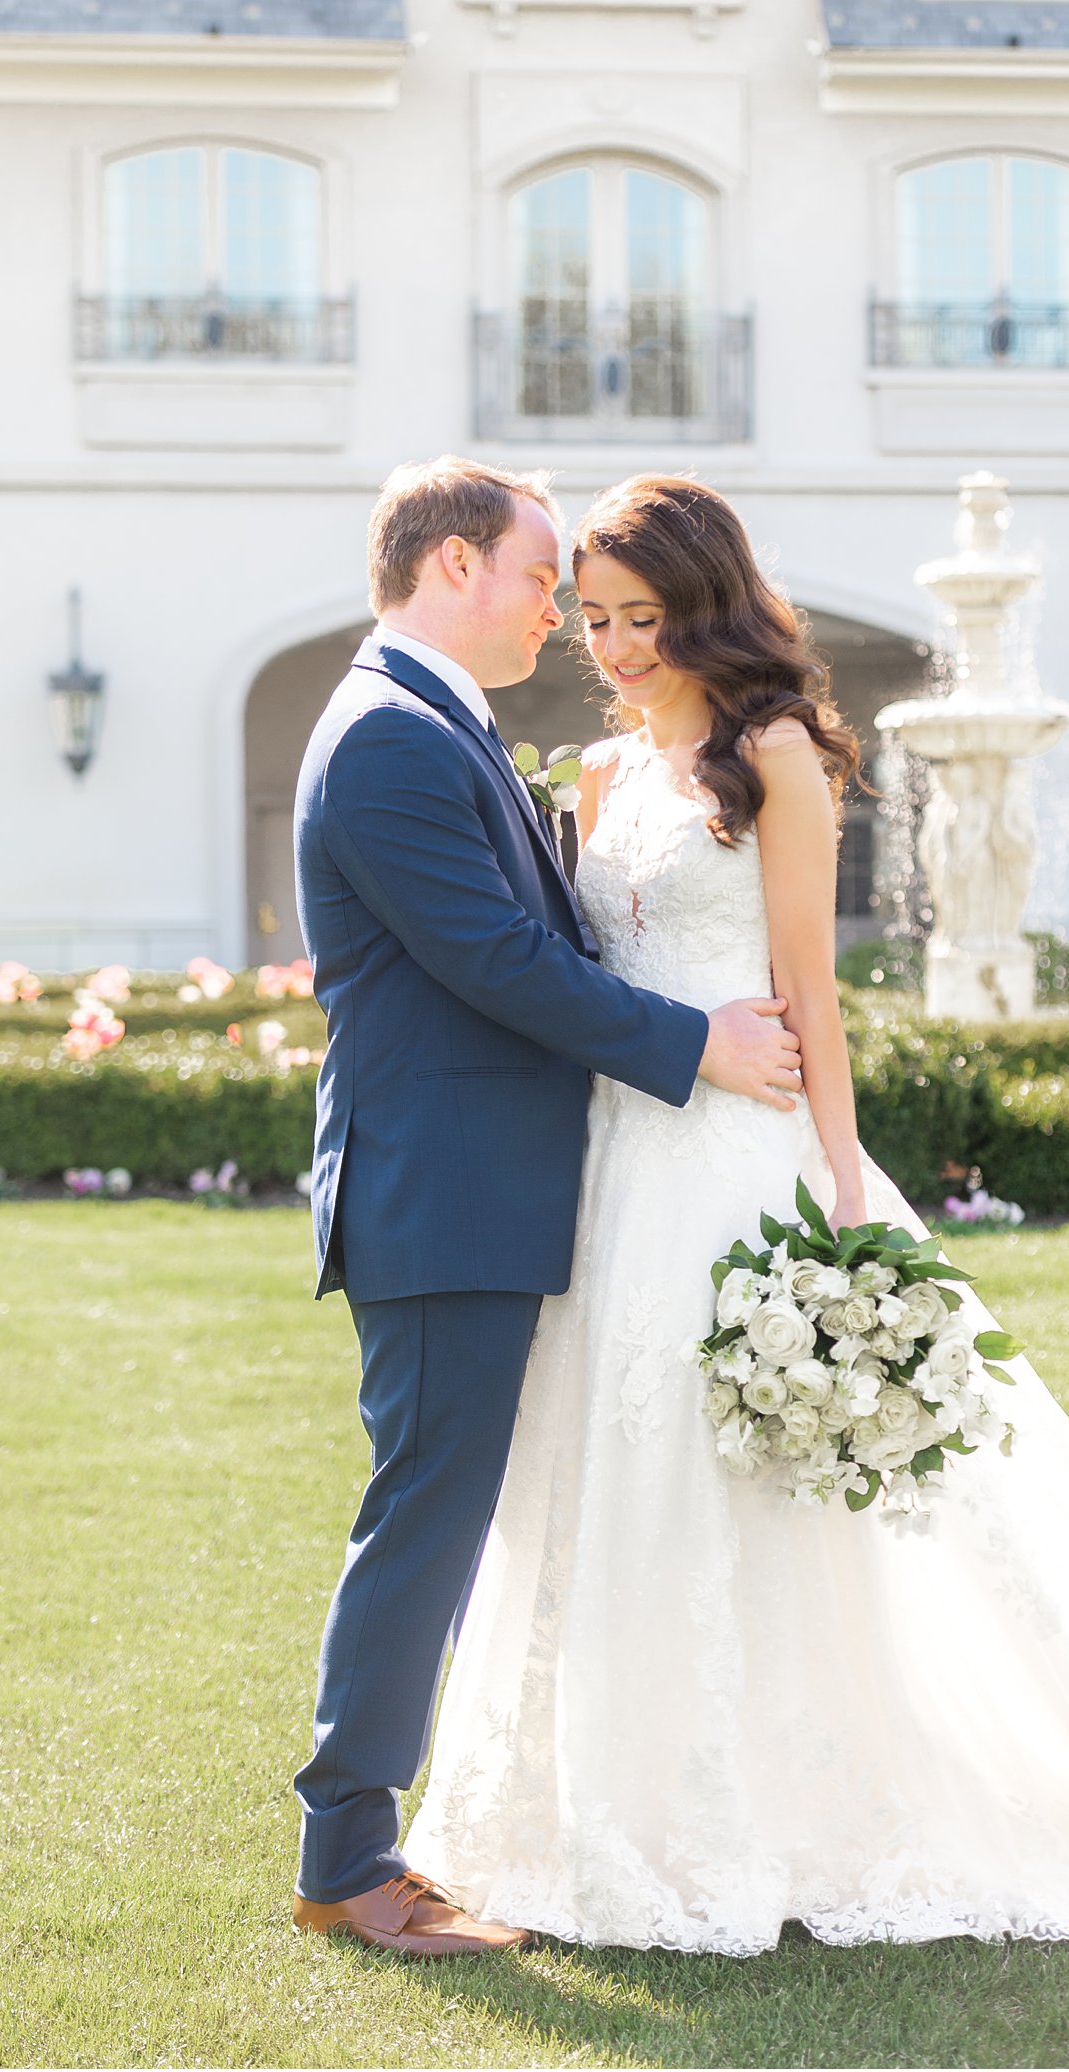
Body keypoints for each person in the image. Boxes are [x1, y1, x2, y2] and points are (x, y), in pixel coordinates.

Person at [405, 473, 1069, 1955]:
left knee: (766, 1484)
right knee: (609, 1474)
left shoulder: (774, 754)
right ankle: (607, 1805)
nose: (620, 645)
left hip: (743, 1154)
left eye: (644, 616)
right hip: (610, 1163)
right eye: (594, 619)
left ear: (708, 600)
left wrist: (845, 1182)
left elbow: (807, 989)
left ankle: (801, 1807)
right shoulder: (596, 775)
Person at [289, 456, 803, 1956]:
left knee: (451, 1517)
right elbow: (495, 965)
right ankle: (348, 1863)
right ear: (453, 566)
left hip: (480, 1190)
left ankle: (379, 1844)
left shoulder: (433, 723)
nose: (555, 615)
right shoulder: (390, 737)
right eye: (535, 581)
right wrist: (692, 1042)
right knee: (427, 1522)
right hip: (441, 1198)